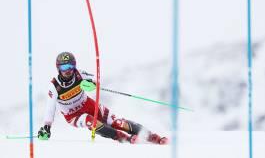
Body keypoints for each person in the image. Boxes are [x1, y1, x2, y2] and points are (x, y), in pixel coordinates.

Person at [37, 51, 168, 144]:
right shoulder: (54, 86)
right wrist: (47, 127)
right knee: (91, 121)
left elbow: (96, 80)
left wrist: (92, 84)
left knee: (118, 122)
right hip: (73, 116)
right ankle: (124, 139)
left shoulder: (79, 75)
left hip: (89, 105)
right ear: (58, 68)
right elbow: (50, 108)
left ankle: (153, 137)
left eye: (71, 66)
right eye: (64, 67)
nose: (68, 70)